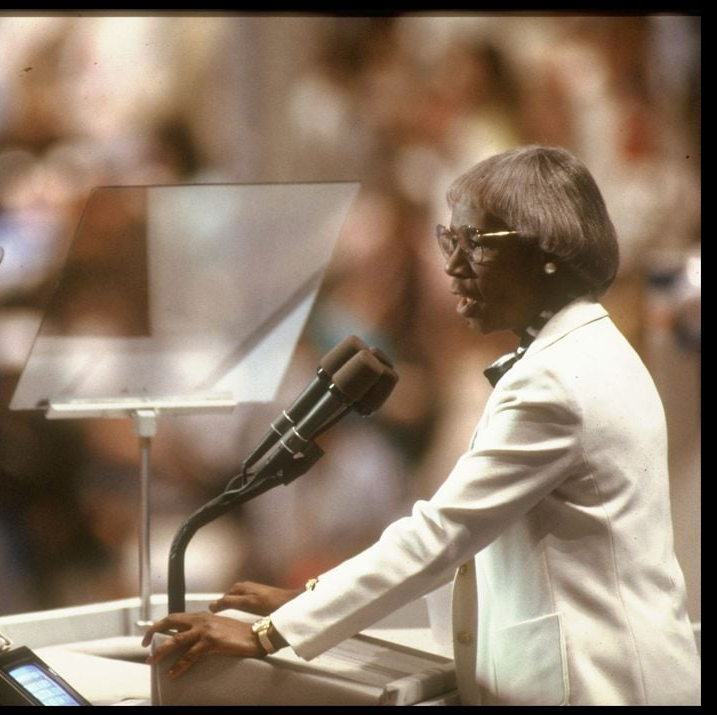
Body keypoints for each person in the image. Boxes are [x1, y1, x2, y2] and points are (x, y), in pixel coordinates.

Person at [142, 146, 701, 705]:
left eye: (476, 244)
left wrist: (268, 634)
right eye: (449, 240)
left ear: (546, 252)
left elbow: (440, 536)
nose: (453, 266)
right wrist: (309, 598)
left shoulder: (555, 383)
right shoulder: (589, 351)